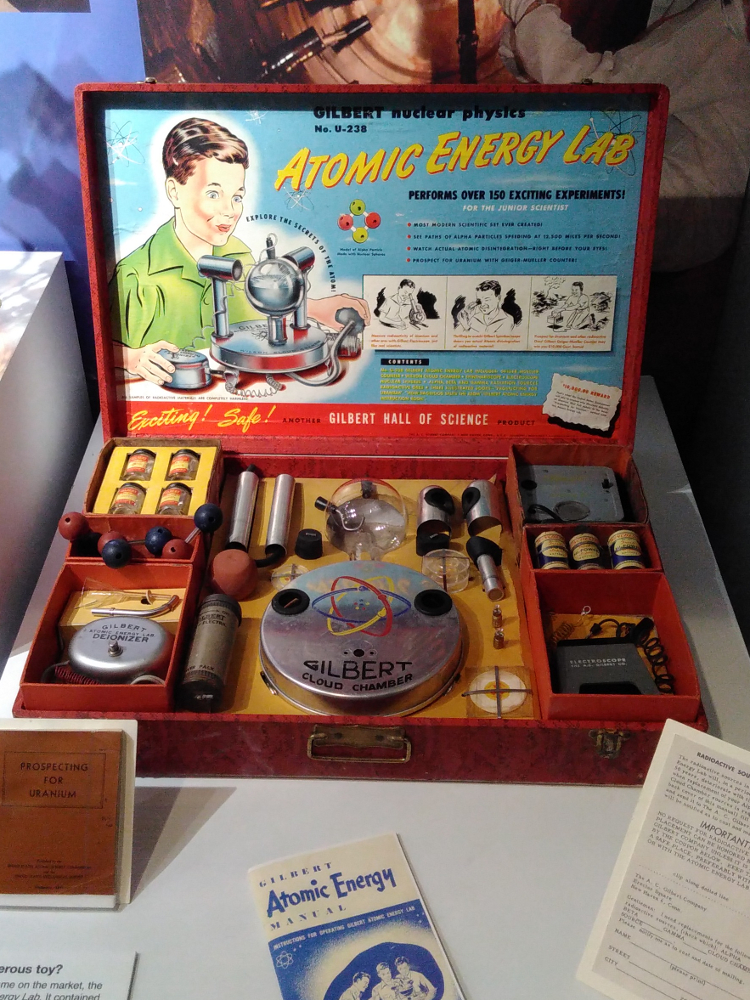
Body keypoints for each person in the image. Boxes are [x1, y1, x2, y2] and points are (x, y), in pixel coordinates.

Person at [111, 117, 368, 385]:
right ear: (174, 192)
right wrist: (131, 358)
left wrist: (314, 308)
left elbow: (252, 309)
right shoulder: (135, 276)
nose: (230, 211)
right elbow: (104, 344)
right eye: (213, 194)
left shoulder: (238, 253)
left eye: (237, 197)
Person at [497, 0, 750, 271]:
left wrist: (526, 9)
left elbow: (602, 96)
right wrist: (528, 34)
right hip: (653, 164)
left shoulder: (728, 21)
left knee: (514, 192)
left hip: (690, 199)